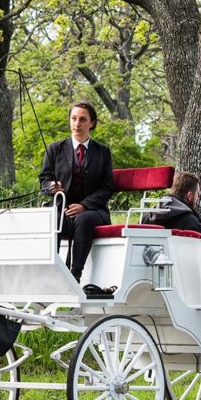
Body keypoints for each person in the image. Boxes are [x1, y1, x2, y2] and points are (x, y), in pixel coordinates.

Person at [39, 101, 114, 283]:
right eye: (73, 119)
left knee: (83, 219)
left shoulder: (103, 152)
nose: (77, 124)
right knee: (51, 218)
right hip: (62, 209)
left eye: (82, 119)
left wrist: (84, 205)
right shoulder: (54, 149)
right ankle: (50, 273)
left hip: (93, 211)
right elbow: (44, 181)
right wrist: (51, 186)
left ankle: (75, 276)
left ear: (92, 123)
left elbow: (106, 188)